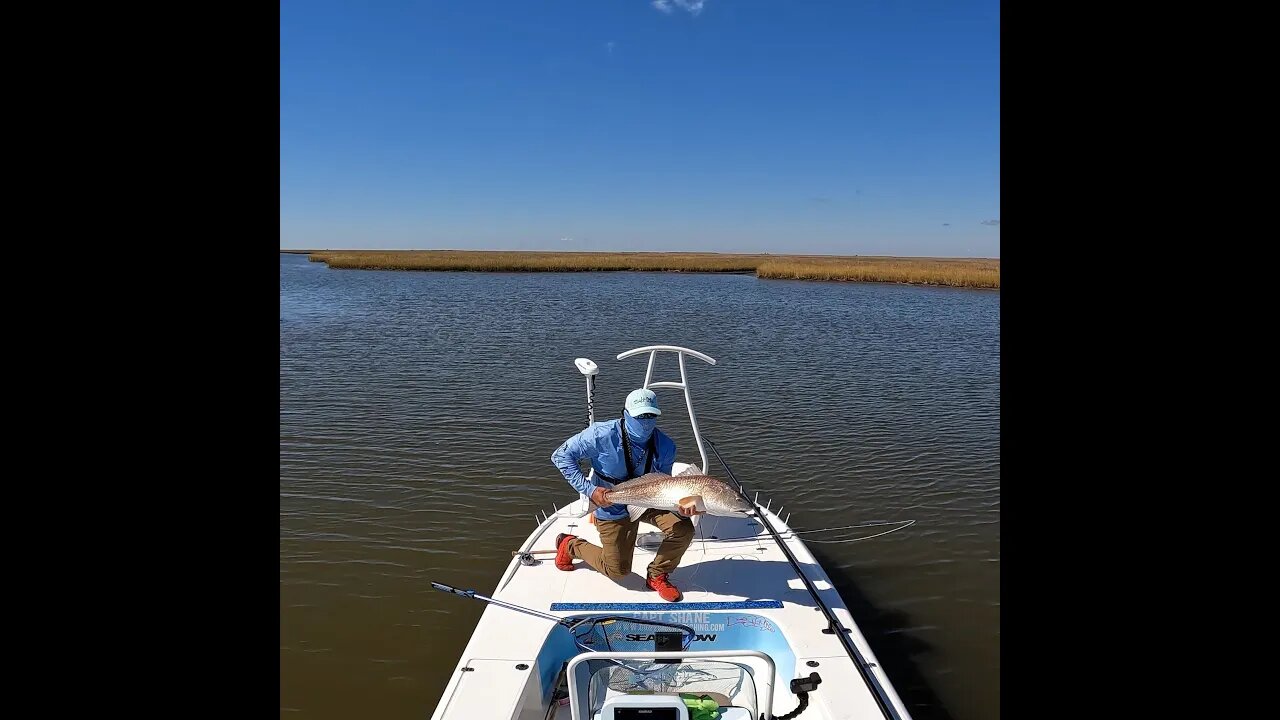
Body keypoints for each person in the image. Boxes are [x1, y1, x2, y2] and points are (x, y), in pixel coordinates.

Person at [550, 388, 696, 601]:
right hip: (611, 501)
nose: (645, 422)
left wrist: (680, 505)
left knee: (683, 529)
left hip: (649, 498)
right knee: (618, 570)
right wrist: (589, 489)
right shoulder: (600, 435)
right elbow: (561, 456)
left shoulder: (666, 445)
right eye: (639, 416)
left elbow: (663, 484)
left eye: (650, 416)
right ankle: (571, 545)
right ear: (625, 414)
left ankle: (657, 574)